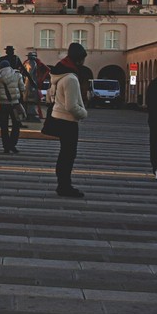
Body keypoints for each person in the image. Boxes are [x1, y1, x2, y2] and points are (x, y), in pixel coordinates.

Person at [48, 43, 89, 198]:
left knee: (64, 154)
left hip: (59, 118)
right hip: (68, 120)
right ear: (79, 60)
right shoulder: (71, 78)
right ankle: (64, 186)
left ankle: (62, 184)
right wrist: (83, 113)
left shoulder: (59, 75)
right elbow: (71, 105)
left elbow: (50, 96)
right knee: (68, 155)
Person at [0, 59, 25, 154]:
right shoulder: (17, 75)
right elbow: (22, 88)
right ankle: (12, 144)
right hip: (14, 103)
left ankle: (6, 146)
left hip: (3, 104)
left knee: (4, 126)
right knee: (16, 124)